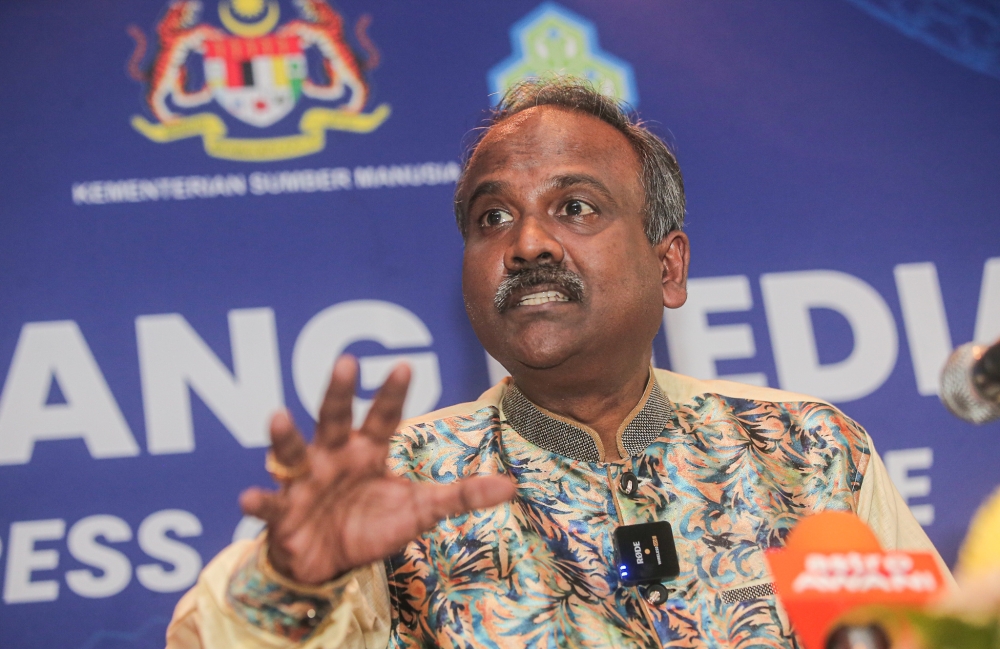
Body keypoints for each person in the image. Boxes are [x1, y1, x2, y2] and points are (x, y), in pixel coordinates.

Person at [165, 78, 949, 649]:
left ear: (668, 267)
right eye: (492, 216)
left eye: (576, 206)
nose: (528, 243)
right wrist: (293, 579)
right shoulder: (403, 487)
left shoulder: (809, 450)